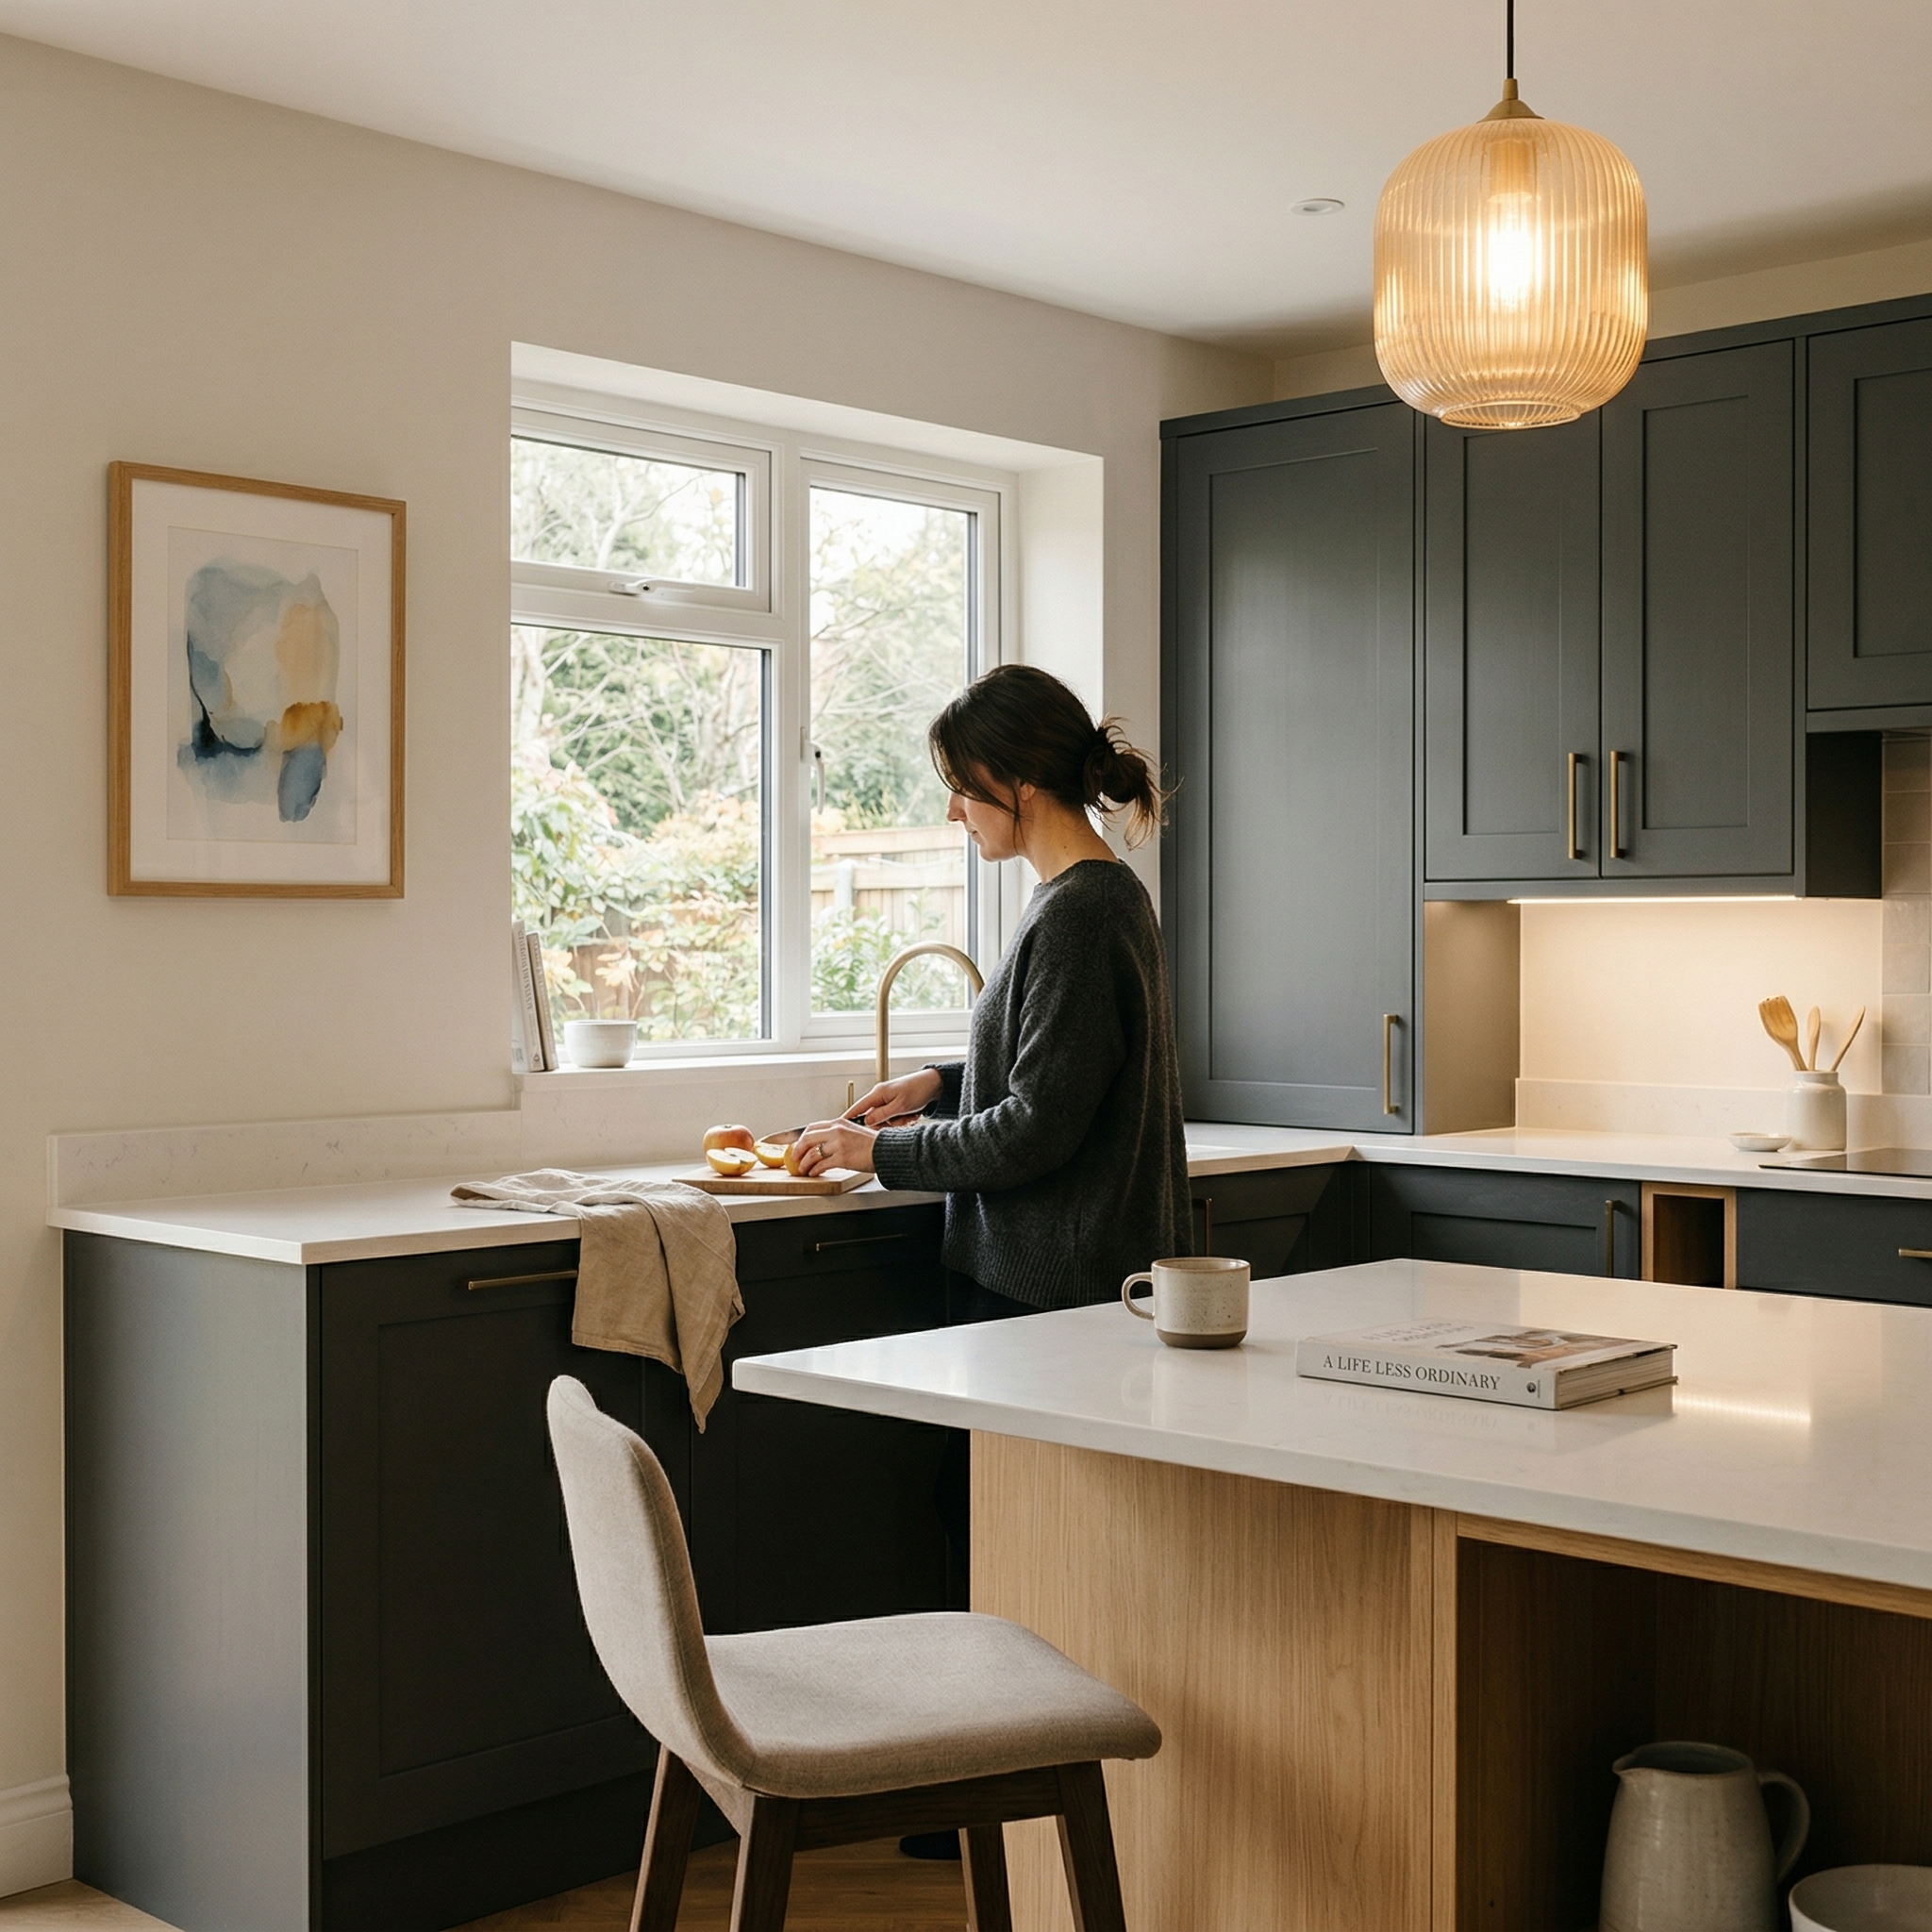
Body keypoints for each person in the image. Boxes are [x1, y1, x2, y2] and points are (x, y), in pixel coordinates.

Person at [793, 662, 1192, 1316]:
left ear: (1022, 782)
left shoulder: (1082, 912)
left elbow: (1031, 1131)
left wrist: (879, 1150)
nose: (952, 811)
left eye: (961, 788)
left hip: (1057, 1295)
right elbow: (1065, 1073)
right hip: (1057, 1283)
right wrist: (940, 1083)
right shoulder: (1082, 897)